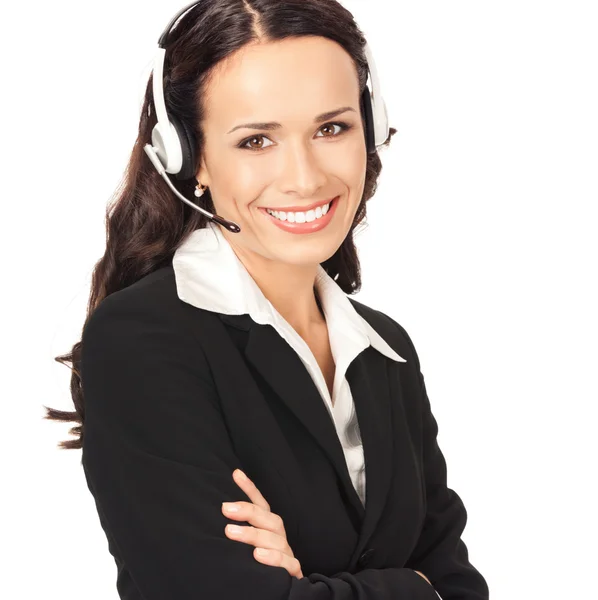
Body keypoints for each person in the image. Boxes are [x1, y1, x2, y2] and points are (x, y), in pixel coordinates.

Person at [46, 1, 489, 599]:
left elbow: (460, 587)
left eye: (331, 128)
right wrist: (412, 587)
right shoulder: (142, 341)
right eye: (256, 140)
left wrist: (310, 585)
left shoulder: (384, 349)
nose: (304, 178)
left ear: (371, 127)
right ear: (190, 157)